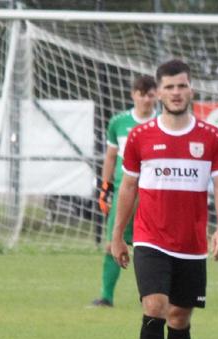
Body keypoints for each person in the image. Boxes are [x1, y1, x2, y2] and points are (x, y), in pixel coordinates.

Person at [111, 59, 218, 339]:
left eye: (182, 86)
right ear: (158, 92)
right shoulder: (140, 136)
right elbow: (128, 187)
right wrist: (118, 235)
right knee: (155, 306)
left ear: (190, 89)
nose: (176, 93)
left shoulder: (209, 137)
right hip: (149, 239)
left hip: (192, 244)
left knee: (180, 317)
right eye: (169, 87)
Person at [92, 75, 157, 308]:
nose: (146, 99)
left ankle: (152, 296)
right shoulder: (118, 122)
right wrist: (105, 188)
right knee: (112, 243)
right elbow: (111, 157)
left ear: (156, 96)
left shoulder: (162, 122)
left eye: (150, 95)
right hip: (124, 191)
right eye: (142, 94)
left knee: (151, 246)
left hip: (152, 193)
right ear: (133, 95)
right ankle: (106, 296)